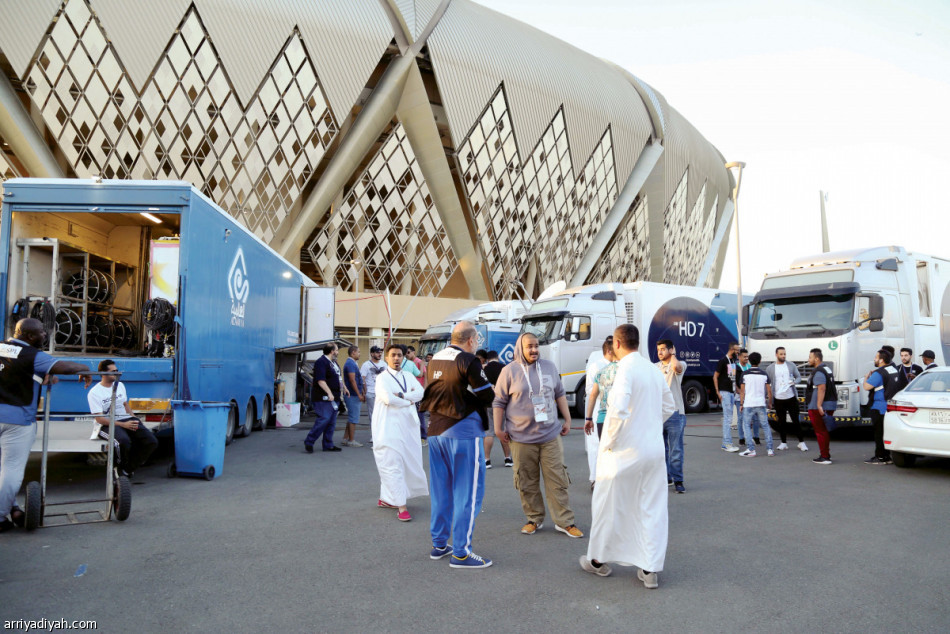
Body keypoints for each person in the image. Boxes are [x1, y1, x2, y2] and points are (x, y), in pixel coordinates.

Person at [580, 324, 675, 589]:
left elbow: (618, 410)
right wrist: (648, 427)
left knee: (607, 504)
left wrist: (608, 443)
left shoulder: (625, 369)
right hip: (653, 449)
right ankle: (650, 569)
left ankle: (597, 561)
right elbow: (669, 407)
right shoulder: (652, 370)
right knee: (651, 508)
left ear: (617, 345)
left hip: (624, 451)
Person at [1, 318, 91, 533]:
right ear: (29, 336)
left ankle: (12, 508)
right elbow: (63, 366)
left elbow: (12, 374)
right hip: (17, 421)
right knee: (10, 470)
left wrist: (40, 378)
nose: (45, 335)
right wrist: (84, 367)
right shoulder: (33, 355)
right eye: (41, 332)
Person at [419, 321, 495, 568]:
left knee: (441, 491)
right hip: (463, 430)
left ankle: (440, 544)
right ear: (471, 340)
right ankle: (461, 552)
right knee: (468, 493)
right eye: (477, 340)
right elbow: (487, 395)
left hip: (435, 429)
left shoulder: (435, 359)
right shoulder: (468, 360)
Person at [494, 333, 582, 538]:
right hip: (521, 437)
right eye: (529, 347)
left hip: (549, 434)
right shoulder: (509, 371)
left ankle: (565, 521)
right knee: (526, 481)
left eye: (536, 346)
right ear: (520, 349)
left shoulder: (549, 367)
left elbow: (559, 393)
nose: (534, 350)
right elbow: (499, 402)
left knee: (558, 479)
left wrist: (567, 420)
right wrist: (498, 429)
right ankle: (534, 518)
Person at [372, 344, 428, 521]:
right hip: (388, 427)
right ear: (387, 358)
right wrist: (409, 400)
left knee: (405, 463)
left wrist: (403, 396)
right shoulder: (382, 378)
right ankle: (401, 506)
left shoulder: (409, 376)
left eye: (399, 355)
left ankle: (387, 498)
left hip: (408, 427)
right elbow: (388, 399)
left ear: (404, 358)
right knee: (391, 463)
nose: (396, 358)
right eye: (393, 355)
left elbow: (420, 393)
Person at [88, 359, 158, 477]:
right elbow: (99, 419)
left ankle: (128, 469)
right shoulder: (94, 393)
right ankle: (117, 470)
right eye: (113, 371)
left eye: (117, 370)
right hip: (106, 424)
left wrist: (134, 418)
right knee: (123, 442)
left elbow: (125, 404)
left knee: (151, 441)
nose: (116, 373)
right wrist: (123, 425)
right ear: (103, 374)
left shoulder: (120, 385)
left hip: (125, 418)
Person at [656, 340, 687, 492]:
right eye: (658, 350)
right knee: (661, 450)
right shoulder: (655, 367)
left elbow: (677, 367)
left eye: (663, 349)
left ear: (671, 350)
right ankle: (666, 477)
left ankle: (678, 480)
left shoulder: (679, 363)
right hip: (658, 414)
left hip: (675, 413)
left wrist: (674, 354)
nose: (660, 352)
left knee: (676, 450)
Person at [583, 339, 613, 487]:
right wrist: (606, 390)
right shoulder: (596, 366)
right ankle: (594, 478)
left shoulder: (619, 366)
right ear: (609, 350)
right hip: (598, 411)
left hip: (613, 412)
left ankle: (609, 477)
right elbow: (590, 390)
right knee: (596, 445)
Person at [305, 343, 344, 453]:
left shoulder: (334, 363)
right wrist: (329, 393)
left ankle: (328, 444)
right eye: (336, 350)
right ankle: (309, 441)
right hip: (323, 398)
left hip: (334, 397)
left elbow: (338, 377)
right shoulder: (321, 362)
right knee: (324, 419)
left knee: (331, 422)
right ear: (332, 351)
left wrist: (344, 388)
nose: (338, 352)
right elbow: (321, 380)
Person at [766, 347, 807, 451]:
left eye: (784, 354)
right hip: (778, 398)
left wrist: (794, 382)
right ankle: (783, 442)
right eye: (781, 354)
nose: (783, 356)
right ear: (776, 355)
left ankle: (801, 442)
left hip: (791, 397)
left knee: (795, 421)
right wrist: (768, 397)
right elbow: (768, 382)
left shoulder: (791, 365)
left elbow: (799, 377)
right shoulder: (770, 368)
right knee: (781, 422)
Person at [863, 349, 899, 465]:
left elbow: (867, 387)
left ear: (881, 360)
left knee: (879, 433)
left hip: (879, 407)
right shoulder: (893, 369)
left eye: (876, 357)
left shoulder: (879, 373)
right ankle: (887, 456)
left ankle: (881, 457)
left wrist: (866, 378)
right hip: (890, 406)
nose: (874, 359)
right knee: (886, 432)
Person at [738, 352, 774, 457]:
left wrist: (741, 403)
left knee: (746, 425)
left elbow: (742, 391)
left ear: (749, 361)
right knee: (765, 426)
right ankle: (770, 449)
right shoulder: (764, 374)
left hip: (748, 404)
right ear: (760, 361)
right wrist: (770, 403)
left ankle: (751, 449)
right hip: (761, 403)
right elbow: (769, 391)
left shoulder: (745, 374)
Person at [805, 348, 837, 465]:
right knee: (823, 431)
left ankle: (825, 457)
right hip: (829, 403)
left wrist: (819, 405)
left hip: (818, 406)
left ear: (816, 359)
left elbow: (821, 388)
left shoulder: (819, 371)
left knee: (820, 431)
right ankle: (825, 454)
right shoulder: (827, 369)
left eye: (810, 357)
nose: (808, 360)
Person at [481, 350, 511, 468]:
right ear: (497, 357)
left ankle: (487, 460)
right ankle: (508, 459)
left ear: (487, 359)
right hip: (502, 403)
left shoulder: (484, 370)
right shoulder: (505, 368)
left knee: (489, 433)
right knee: (503, 430)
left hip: (488, 403)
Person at [713, 342, 741, 452]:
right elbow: (715, 377)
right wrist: (718, 392)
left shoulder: (733, 361)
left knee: (729, 417)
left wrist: (739, 391)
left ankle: (727, 442)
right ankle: (726, 443)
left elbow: (732, 378)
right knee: (728, 418)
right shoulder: (723, 361)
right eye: (737, 350)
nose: (738, 352)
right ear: (732, 350)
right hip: (724, 392)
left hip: (731, 392)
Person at [341, 346, 364, 447]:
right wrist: (359, 394)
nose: (360, 354)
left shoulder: (352, 363)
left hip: (353, 394)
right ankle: (351, 440)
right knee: (353, 418)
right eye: (358, 352)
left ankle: (345, 438)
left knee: (351, 417)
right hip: (353, 395)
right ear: (353, 353)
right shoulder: (350, 364)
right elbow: (352, 380)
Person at [735, 348, 758, 446]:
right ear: (739, 357)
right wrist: (741, 394)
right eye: (744, 357)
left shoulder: (750, 367)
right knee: (740, 418)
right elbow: (732, 382)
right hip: (739, 396)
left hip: (750, 396)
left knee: (755, 417)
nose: (746, 358)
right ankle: (741, 438)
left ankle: (756, 437)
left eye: (747, 357)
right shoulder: (732, 367)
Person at [407, 346, 428, 446]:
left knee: (420, 415)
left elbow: (424, 375)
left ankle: (423, 437)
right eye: (405, 353)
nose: (407, 354)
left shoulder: (419, 362)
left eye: (408, 352)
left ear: (414, 352)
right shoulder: (407, 363)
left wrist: (424, 390)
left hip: (419, 393)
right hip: (411, 393)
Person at [361, 346, 386, 421]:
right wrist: (365, 392)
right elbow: (362, 379)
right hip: (371, 392)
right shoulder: (366, 365)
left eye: (380, 352)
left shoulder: (384, 364)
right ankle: (374, 431)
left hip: (382, 393)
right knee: (373, 414)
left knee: (382, 414)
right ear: (372, 354)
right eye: (377, 352)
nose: (379, 354)